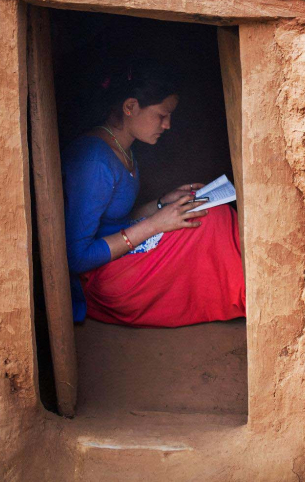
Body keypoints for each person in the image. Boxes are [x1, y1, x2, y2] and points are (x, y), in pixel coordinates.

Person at [60, 62, 245, 327]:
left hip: (121, 259)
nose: (168, 125)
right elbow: (77, 258)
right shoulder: (94, 163)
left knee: (208, 211)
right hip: (104, 281)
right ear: (130, 107)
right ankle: (248, 294)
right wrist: (155, 223)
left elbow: (112, 219)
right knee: (209, 220)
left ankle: (246, 289)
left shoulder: (122, 149)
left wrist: (161, 203)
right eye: (162, 115)